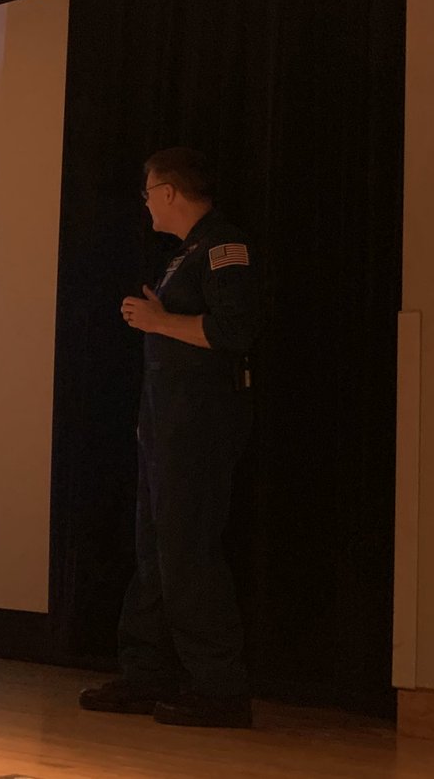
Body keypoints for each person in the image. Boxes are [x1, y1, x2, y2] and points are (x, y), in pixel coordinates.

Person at [80, 147, 259, 728]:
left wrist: (159, 322)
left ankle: (219, 688)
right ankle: (147, 674)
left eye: (149, 190)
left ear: (171, 191)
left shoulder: (224, 248)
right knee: (155, 553)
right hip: (166, 427)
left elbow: (234, 331)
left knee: (187, 554)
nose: (147, 202)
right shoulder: (186, 255)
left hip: (200, 430)